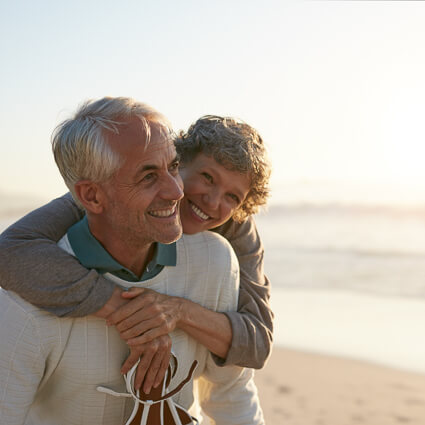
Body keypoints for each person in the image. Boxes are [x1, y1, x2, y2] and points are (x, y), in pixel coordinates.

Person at [0, 97, 264, 425]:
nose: (176, 191)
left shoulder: (219, 257)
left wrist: (177, 311)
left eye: (170, 168)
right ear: (92, 197)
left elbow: (239, 380)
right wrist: (130, 314)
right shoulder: (26, 288)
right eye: (149, 176)